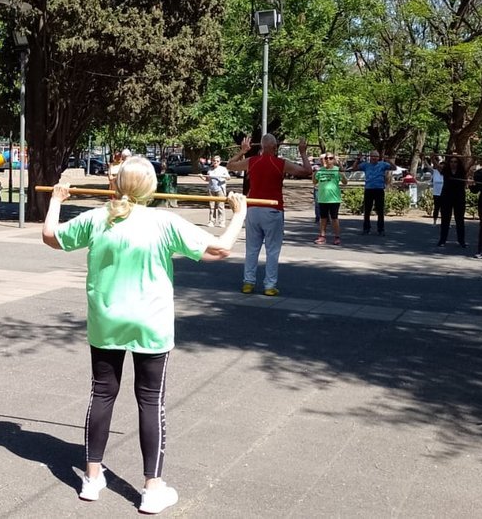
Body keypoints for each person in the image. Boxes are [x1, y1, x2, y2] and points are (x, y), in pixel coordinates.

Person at [41, 157, 247, 515]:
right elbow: (219, 250)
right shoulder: (162, 221)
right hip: (150, 324)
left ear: (118, 185)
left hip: (107, 321)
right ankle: (152, 487)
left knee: (102, 393)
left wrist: (56, 201)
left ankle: (92, 478)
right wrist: (239, 214)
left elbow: (50, 237)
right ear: (150, 188)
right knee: (150, 400)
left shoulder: (98, 218)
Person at [226, 133, 312, 296]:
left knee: (251, 248)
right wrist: (302, 152)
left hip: (253, 208)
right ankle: (269, 285)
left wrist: (242, 151)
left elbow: (230, 165)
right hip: (273, 209)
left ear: (262, 147)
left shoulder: (252, 161)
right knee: (272, 249)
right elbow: (307, 171)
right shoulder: (281, 163)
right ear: (274, 147)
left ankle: (248, 283)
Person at [354, 150, 393, 236]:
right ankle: (366, 229)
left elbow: (394, 168)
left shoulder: (383, 164)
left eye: (376, 156)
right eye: (372, 156)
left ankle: (381, 229)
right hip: (369, 189)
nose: (374, 158)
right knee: (367, 210)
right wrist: (358, 159)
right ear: (370, 157)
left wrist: (388, 160)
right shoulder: (365, 165)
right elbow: (354, 168)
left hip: (379, 189)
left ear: (378, 157)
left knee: (380, 210)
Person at [314, 152, 346, 245]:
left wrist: (342, 174)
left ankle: (337, 237)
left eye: (331, 158)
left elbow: (345, 182)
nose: (328, 160)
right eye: (326, 158)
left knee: (334, 218)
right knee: (323, 218)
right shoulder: (320, 171)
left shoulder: (336, 170)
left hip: (334, 199)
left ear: (334, 160)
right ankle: (322, 236)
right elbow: (314, 182)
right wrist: (314, 173)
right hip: (323, 198)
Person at [437, 155, 469, 249]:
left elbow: (470, 165)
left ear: (458, 163)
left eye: (455, 162)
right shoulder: (445, 171)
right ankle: (442, 240)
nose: (453, 163)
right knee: (445, 220)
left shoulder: (462, 172)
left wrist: (474, 159)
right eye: (451, 162)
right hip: (446, 197)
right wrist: (432, 158)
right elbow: (437, 166)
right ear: (449, 163)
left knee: (460, 220)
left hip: (459, 198)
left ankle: (461, 241)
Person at [201, 154, 230, 227]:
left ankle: (222, 222)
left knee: (220, 206)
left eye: (217, 161)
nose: (215, 162)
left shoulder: (223, 169)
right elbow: (207, 180)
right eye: (214, 161)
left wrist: (225, 177)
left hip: (220, 189)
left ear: (220, 162)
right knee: (212, 207)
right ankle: (211, 221)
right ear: (212, 161)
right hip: (211, 189)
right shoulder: (210, 170)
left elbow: (228, 178)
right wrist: (201, 177)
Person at [430, 159, 445, 224]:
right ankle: (434, 221)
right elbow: (428, 166)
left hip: (445, 193)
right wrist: (425, 160)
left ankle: (445, 222)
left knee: (444, 209)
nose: (441, 167)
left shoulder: (446, 173)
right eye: (440, 166)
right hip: (436, 193)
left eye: (443, 166)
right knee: (436, 208)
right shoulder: (435, 171)